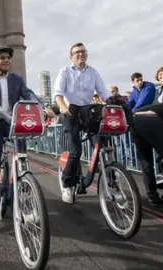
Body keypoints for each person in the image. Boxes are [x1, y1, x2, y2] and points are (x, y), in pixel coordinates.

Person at [0, 45, 54, 222]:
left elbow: (29, 94)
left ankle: (24, 184)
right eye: (2, 58)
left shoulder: (17, 79)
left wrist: (42, 107)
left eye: (8, 57)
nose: (6, 60)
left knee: (22, 156)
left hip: (14, 122)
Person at [53, 42, 112, 204]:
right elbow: (58, 94)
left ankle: (112, 185)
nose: (80, 54)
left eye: (83, 52)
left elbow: (104, 93)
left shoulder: (93, 71)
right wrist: (64, 108)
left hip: (87, 112)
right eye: (76, 52)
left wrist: (113, 102)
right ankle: (68, 185)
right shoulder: (65, 71)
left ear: (86, 54)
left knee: (101, 146)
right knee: (75, 150)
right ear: (71, 57)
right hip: (70, 112)